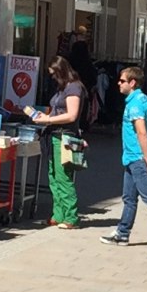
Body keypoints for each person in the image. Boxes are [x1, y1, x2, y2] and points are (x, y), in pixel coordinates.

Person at [100, 67, 147, 252]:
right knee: (129, 197)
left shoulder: (134, 104)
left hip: (138, 158)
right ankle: (122, 233)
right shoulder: (144, 99)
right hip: (133, 158)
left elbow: (141, 131)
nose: (118, 83)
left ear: (132, 83)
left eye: (122, 81)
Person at [27, 59, 86, 228]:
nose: (52, 77)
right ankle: (58, 214)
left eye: (54, 73)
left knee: (63, 177)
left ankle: (71, 217)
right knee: (53, 176)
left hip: (64, 136)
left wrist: (49, 119)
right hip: (53, 135)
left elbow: (72, 115)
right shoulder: (63, 88)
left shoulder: (74, 87)